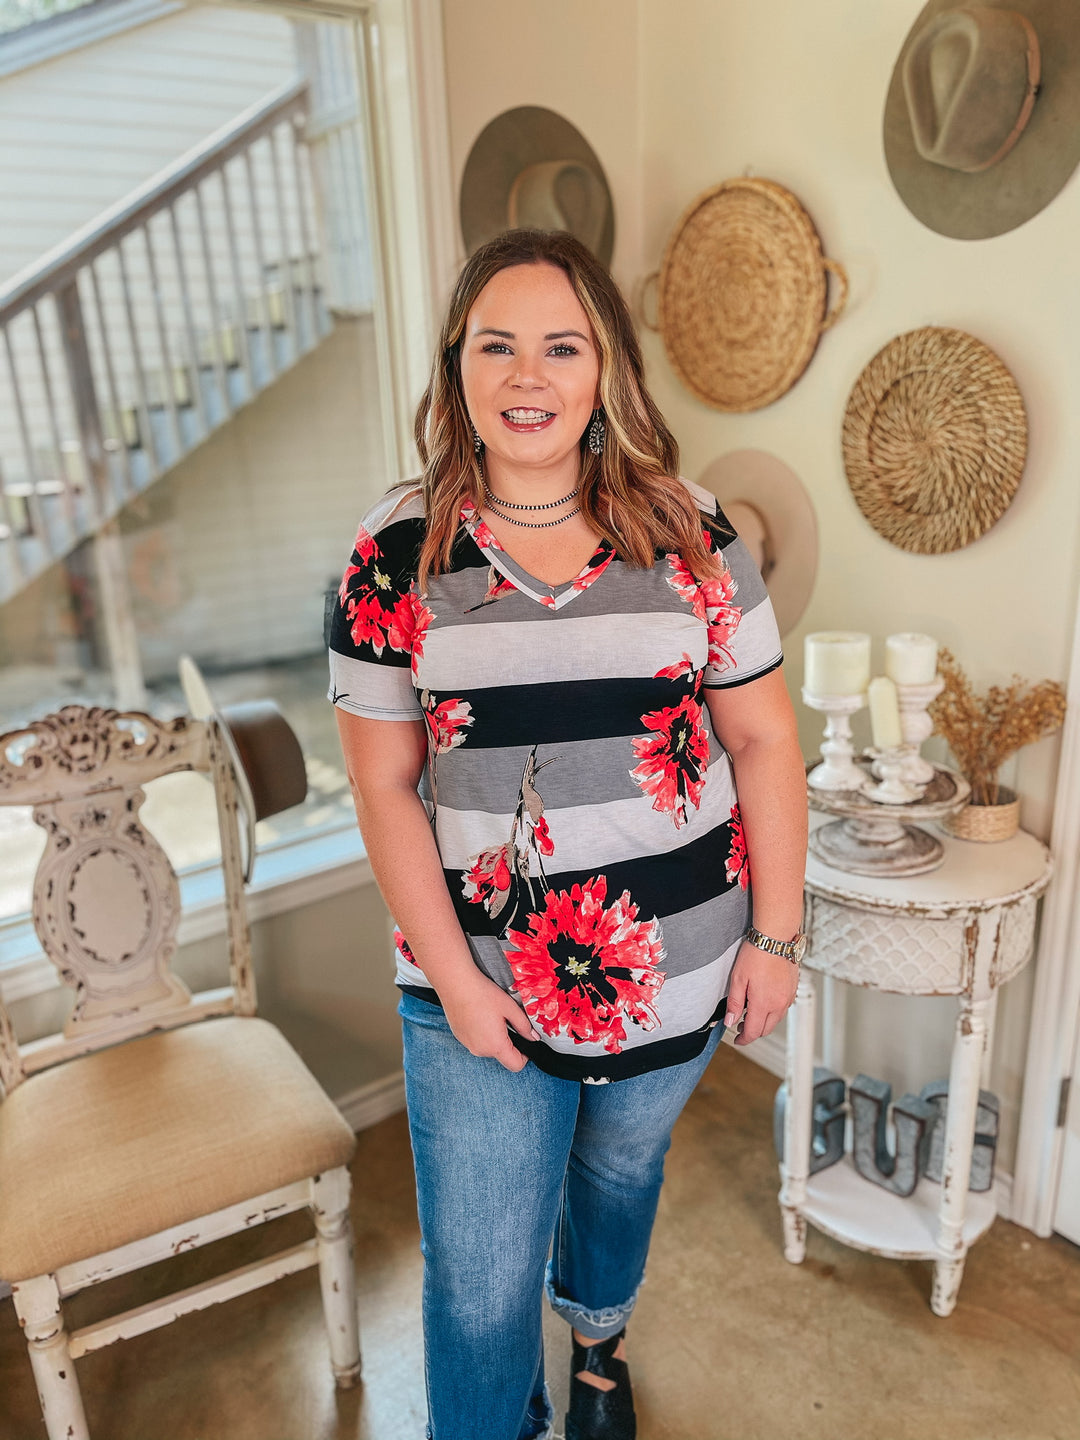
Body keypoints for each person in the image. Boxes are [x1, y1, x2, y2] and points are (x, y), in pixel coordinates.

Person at [329, 228, 807, 1440]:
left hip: (684, 971)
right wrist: (458, 985)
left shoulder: (692, 535)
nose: (527, 374)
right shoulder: (393, 556)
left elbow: (759, 743)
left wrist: (778, 939)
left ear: (607, 371)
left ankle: (599, 1339)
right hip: (472, 989)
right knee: (479, 1293)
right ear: (458, 369)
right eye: (498, 344)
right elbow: (386, 787)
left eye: (561, 345)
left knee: (615, 1176)